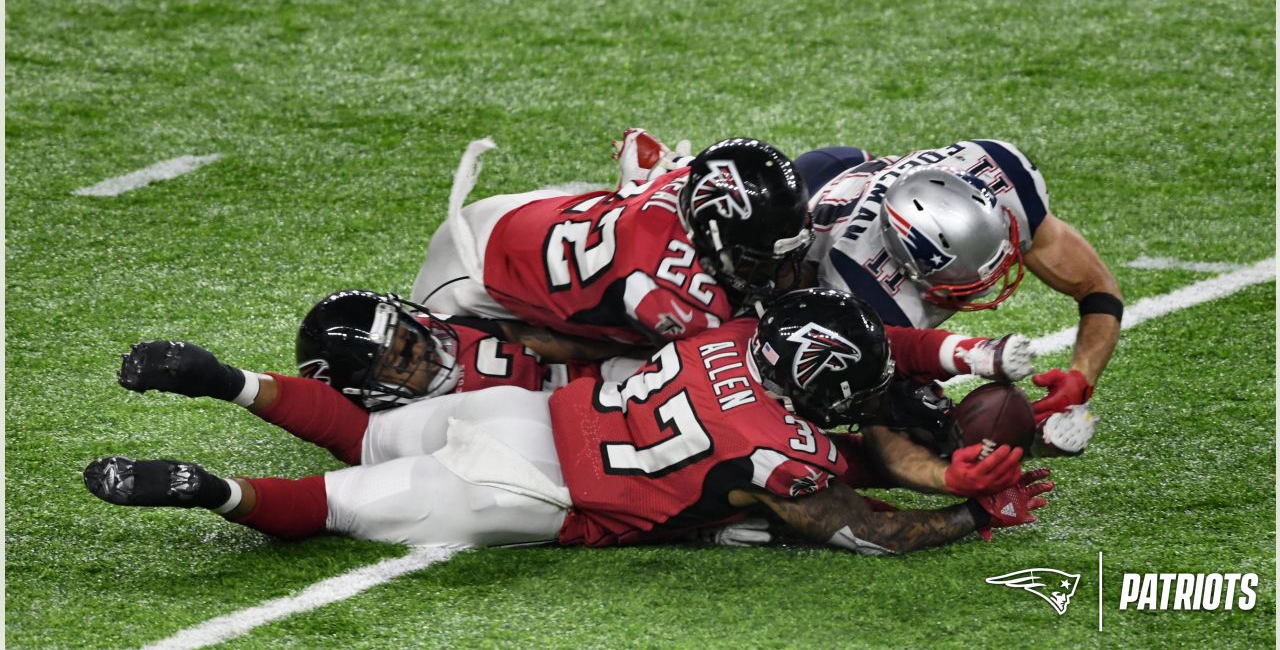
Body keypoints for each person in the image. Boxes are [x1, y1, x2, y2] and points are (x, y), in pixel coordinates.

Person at [85, 289, 1051, 554]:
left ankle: (225, 381)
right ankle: (209, 489)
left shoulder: (730, 335)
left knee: (369, 437)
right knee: (335, 504)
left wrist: (937, 474)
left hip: (524, 412)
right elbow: (866, 531)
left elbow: (838, 436)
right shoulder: (781, 449)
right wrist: (976, 516)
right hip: (533, 494)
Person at [610, 131, 1118, 454]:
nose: (984, 287)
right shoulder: (864, 288)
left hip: (854, 174)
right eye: (962, 287)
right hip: (821, 218)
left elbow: (1097, 287)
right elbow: (892, 422)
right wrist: (1015, 437)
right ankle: (670, 179)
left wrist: (1080, 378)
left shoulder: (998, 174)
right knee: (745, 330)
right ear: (910, 266)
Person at [410, 137, 814, 346]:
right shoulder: (672, 298)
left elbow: (647, 154)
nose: (778, 272)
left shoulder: (690, 184)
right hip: (472, 273)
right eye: (757, 260)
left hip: (522, 215)